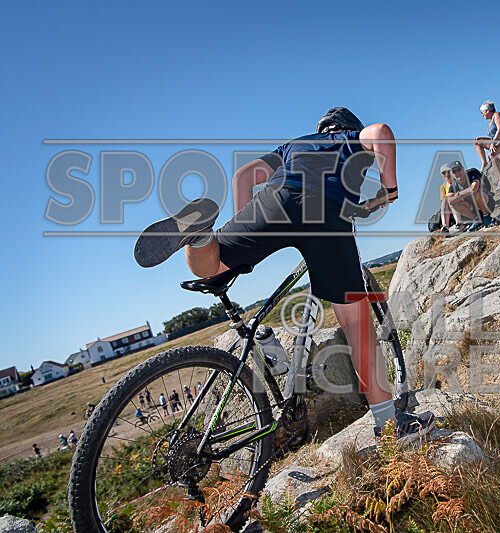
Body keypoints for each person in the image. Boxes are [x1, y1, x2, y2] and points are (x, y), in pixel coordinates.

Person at [133, 107, 433, 442]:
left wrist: (247, 228)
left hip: (275, 199)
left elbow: (244, 176)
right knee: (354, 320)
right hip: (324, 212)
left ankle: (200, 236)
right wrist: (390, 190)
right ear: (346, 128)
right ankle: (390, 425)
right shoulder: (347, 138)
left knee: (214, 265)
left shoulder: (295, 144)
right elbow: (380, 132)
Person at [443, 161, 496, 232]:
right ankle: (477, 220)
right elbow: (449, 200)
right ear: (452, 174)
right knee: (453, 203)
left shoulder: (472, 172)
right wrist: (466, 193)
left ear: (463, 169)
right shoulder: (454, 186)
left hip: (487, 204)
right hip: (473, 209)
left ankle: (486, 216)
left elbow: (474, 188)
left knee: (476, 194)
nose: (457, 173)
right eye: (454, 171)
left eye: (459, 169)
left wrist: (458, 195)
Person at [473, 101, 500, 187]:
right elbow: (493, 137)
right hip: (497, 141)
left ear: (487, 111)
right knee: (476, 142)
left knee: (492, 154)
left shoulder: (497, 115)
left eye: (482, 113)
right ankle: (484, 163)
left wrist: (492, 143)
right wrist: (482, 139)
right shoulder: (490, 122)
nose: (482, 115)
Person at [438, 163, 455, 232]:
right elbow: (443, 201)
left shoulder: (457, 183)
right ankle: (445, 227)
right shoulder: (443, 187)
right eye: (444, 173)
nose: (447, 174)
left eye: (448, 172)